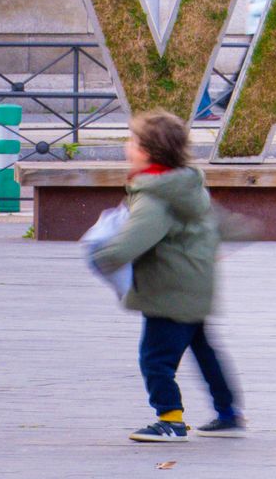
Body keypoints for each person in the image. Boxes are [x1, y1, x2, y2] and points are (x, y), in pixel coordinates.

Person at [88, 111, 250, 441]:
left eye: (132, 141)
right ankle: (229, 413)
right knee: (205, 352)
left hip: (169, 291)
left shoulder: (155, 196)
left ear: (147, 151)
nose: (127, 146)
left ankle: (170, 418)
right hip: (196, 285)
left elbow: (137, 236)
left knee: (155, 357)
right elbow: (215, 221)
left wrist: (105, 257)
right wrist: (235, 232)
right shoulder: (188, 185)